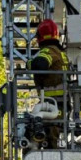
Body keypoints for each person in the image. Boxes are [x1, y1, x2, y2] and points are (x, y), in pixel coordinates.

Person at [29, 19, 68, 148]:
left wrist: (29, 64)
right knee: (51, 136)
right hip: (60, 103)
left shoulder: (49, 51)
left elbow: (40, 64)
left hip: (52, 103)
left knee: (50, 138)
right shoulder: (62, 54)